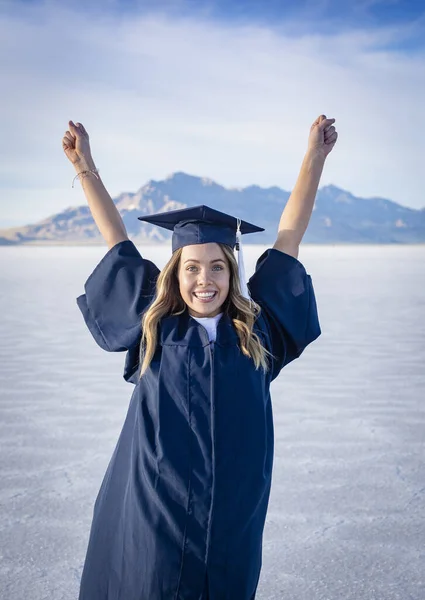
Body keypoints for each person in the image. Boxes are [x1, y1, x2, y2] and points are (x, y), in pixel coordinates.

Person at [62, 115, 338, 600]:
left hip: (232, 518)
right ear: (175, 272)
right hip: (158, 513)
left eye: (217, 267)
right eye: (191, 268)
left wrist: (313, 157)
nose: (204, 280)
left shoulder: (258, 333)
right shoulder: (153, 327)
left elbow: (288, 239)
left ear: (232, 274)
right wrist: (86, 166)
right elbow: (117, 243)